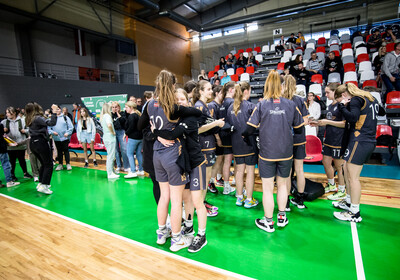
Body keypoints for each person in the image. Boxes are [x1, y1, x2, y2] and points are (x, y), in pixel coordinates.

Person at [138, 70, 202, 252]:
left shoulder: (150, 104)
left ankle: (161, 233)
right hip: (172, 154)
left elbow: (139, 126)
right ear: (172, 86)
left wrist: (156, 132)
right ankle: (176, 238)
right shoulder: (173, 107)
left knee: (163, 197)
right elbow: (195, 112)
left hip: (156, 154)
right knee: (176, 200)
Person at [243, 70, 304, 233]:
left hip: (267, 153)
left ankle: (268, 222)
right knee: (283, 184)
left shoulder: (261, 105)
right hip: (286, 153)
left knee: (268, 187)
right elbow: (300, 129)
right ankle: (282, 217)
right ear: (282, 86)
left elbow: (249, 129)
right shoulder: (291, 104)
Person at [151, 88, 210, 253]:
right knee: (186, 200)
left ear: (188, 102)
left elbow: (173, 134)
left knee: (198, 202)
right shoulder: (176, 119)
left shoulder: (189, 118)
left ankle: (202, 235)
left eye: (182, 100)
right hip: (184, 165)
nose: (179, 103)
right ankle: (189, 228)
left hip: (196, 164)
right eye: (176, 100)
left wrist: (155, 131)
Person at [333, 83, 384, 222]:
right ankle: (349, 203)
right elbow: (382, 112)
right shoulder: (370, 97)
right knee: (347, 172)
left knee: (353, 177)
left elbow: (353, 117)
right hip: (367, 140)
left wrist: (343, 106)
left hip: (360, 140)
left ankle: (354, 212)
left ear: (344, 95)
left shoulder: (356, 99)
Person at [193, 80, 226, 216]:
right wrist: (216, 123)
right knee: (203, 179)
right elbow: (197, 129)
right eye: (207, 89)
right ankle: (199, 205)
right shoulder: (199, 107)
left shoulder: (204, 106)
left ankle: (201, 202)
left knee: (206, 179)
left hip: (209, 145)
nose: (211, 91)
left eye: (210, 89)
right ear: (200, 91)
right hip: (203, 146)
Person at [226, 82, 258, 208]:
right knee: (250, 171)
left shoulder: (230, 108)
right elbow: (255, 125)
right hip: (249, 143)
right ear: (246, 92)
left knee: (239, 171)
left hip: (236, 144)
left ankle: (239, 198)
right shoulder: (250, 106)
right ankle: (249, 199)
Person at [282, 75, 309, 210]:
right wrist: (296, 126)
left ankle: (285, 202)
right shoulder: (300, 100)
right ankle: (300, 200)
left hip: (285, 139)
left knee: (286, 172)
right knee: (299, 169)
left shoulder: (281, 101)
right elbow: (306, 120)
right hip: (299, 138)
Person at [316, 83, 346, 200]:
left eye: (328, 92)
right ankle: (332, 185)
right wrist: (318, 123)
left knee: (339, 166)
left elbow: (344, 124)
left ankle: (342, 190)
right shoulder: (330, 105)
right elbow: (328, 121)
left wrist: (327, 122)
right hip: (328, 139)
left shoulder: (342, 105)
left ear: (335, 92)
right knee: (325, 162)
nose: (326, 94)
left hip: (338, 140)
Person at [25, 103, 58, 194]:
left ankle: (41, 183)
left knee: (43, 164)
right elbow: (52, 123)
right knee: (49, 164)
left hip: (33, 143)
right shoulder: (37, 118)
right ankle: (44, 185)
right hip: (40, 142)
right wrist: (54, 112)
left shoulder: (29, 118)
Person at [2, 107, 33, 180]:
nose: (7, 114)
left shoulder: (23, 121)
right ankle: (12, 174)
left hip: (21, 144)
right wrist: (3, 130)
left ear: (14, 112)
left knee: (22, 159)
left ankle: (25, 173)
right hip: (10, 145)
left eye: (8, 112)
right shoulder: (4, 122)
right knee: (12, 161)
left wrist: (25, 131)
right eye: (6, 113)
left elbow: (30, 130)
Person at [219, 81, 236, 195]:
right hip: (230, 134)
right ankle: (228, 185)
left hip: (222, 134)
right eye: (235, 89)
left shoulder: (222, 102)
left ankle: (226, 185)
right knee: (229, 161)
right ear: (230, 90)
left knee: (226, 161)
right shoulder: (232, 102)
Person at [208, 85, 224, 193]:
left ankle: (218, 178)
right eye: (222, 93)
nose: (224, 95)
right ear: (217, 93)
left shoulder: (220, 105)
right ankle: (211, 182)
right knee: (216, 161)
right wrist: (217, 138)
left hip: (220, 136)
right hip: (214, 138)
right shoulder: (212, 105)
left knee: (220, 159)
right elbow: (212, 124)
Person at [48, 105, 74, 171]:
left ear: (60, 109)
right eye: (56, 109)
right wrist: (52, 132)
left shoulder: (65, 117)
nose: (57, 110)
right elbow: (48, 128)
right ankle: (60, 164)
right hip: (56, 138)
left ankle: (68, 163)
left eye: (58, 109)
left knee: (66, 150)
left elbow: (71, 127)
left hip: (65, 138)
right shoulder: (51, 118)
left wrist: (67, 133)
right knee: (59, 151)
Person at [124, 101, 144, 178]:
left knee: (129, 154)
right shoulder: (138, 115)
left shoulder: (132, 116)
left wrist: (126, 133)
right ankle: (141, 170)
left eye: (126, 107)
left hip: (133, 138)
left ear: (131, 107)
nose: (125, 109)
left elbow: (131, 127)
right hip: (140, 138)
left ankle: (133, 171)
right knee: (139, 153)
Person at [100, 102, 119, 179]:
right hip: (110, 137)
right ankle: (110, 173)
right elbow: (109, 125)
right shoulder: (107, 116)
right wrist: (112, 132)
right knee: (111, 156)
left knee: (110, 155)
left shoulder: (103, 116)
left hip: (106, 137)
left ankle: (112, 171)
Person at [0, 122, 20, 188]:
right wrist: (8, 143)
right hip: (1, 149)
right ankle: (9, 182)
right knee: (6, 165)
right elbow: (2, 137)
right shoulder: (0, 125)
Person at [111, 102, 129, 172]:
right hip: (114, 132)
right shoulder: (110, 115)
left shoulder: (122, 113)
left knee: (124, 149)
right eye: (113, 107)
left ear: (119, 107)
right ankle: (119, 165)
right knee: (116, 150)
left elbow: (123, 121)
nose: (115, 108)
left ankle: (126, 166)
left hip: (121, 132)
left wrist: (118, 113)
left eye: (116, 107)